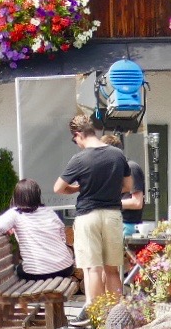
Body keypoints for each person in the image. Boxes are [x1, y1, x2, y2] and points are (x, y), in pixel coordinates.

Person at [54, 113, 134, 305]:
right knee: (112, 269)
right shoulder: (117, 155)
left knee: (93, 269)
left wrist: (78, 188)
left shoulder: (79, 159)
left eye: (75, 140)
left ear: (78, 134)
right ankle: (115, 314)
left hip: (88, 216)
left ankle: (95, 316)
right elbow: (128, 186)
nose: (77, 143)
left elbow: (58, 188)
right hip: (112, 216)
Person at [0, 180, 73, 279]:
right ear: (37, 195)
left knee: (19, 270)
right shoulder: (48, 211)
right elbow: (62, 234)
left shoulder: (16, 213)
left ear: (17, 196)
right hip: (66, 267)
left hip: (38, 272)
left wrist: (11, 227)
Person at [98, 130, 148, 236]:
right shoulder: (113, 170)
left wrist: (107, 203)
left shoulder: (131, 168)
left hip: (126, 225)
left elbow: (137, 203)